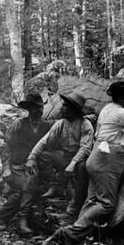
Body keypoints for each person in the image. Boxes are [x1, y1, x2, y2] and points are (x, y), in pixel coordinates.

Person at [41, 81, 124, 245]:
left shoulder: (107, 109)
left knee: (92, 201)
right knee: (106, 204)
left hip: (97, 158)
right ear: (121, 98)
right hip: (107, 161)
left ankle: (74, 240)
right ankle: (68, 233)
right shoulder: (120, 112)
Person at [25, 90, 95, 221]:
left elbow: (85, 148)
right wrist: (31, 157)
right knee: (43, 156)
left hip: (81, 160)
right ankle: (55, 186)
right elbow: (44, 141)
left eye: (65, 106)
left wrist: (72, 164)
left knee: (81, 168)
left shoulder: (86, 125)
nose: (62, 108)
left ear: (74, 109)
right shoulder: (61, 123)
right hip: (65, 156)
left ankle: (73, 210)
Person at [0, 92, 52, 234]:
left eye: (40, 107)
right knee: (25, 188)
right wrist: (6, 169)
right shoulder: (18, 124)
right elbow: (5, 147)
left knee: (24, 188)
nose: (38, 111)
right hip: (16, 167)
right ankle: (18, 220)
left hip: (34, 167)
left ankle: (3, 219)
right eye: (34, 108)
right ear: (28, 109)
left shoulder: (47, 126)